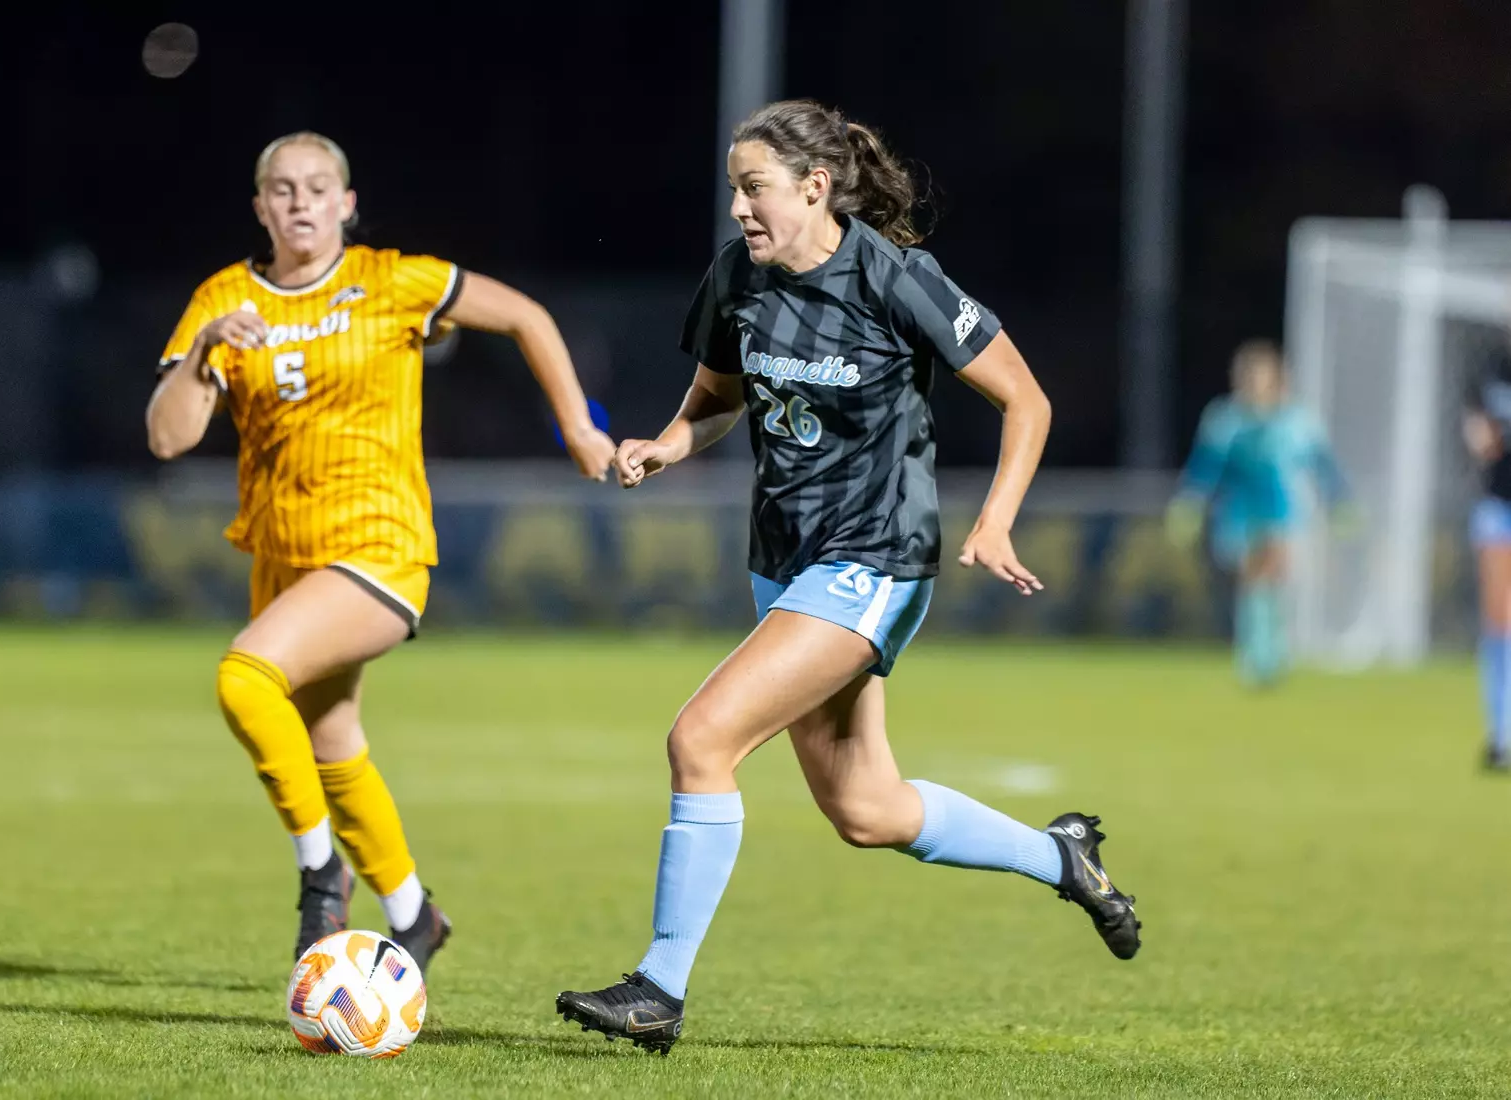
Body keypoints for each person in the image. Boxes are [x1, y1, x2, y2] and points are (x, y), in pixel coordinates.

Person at [554, 100, 1141, 1055]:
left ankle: (658, 988)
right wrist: (664, 447)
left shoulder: (894, 276)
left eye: (756, 188)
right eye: (735, 189)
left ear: (815, 187)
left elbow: (1025, 399)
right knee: (866, 809)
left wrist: (994, 519)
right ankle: (1062, 857)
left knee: (700, 740)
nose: (740, 207)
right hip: (784, 562)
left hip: (877, 557)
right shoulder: (736, 278)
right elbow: (714, 401)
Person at [145, 132, 616, 971]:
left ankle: (322, 876)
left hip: (379, 546)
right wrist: (210, 344)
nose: (300, 202)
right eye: (282, 190)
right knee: (331, 744)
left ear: (346, 204)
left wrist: (579, 428)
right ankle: (413, 914)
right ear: (259, 208)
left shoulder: (389, 280)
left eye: (317, 188)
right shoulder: (225, 298)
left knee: (243, 679)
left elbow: (524, 316)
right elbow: (169, 438)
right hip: (285, 555)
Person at [1165, 340, 1351, 687]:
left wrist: (1340, 501)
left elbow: (1322, 464)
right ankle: (1257, 652)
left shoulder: (1297, 420)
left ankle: (1270, 652)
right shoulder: (1226, 419)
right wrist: (1190, 502)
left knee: (1272, 574)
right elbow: (1205, 466)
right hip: (1239, 511)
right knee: (1253, 579)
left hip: (1281, 508)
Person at [1463, 342, 1511, 771]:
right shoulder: (1492, 367)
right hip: (1500, 507)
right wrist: (1481, 435)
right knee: (1500, 622)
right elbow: (1479, 434)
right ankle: (1501, 733)